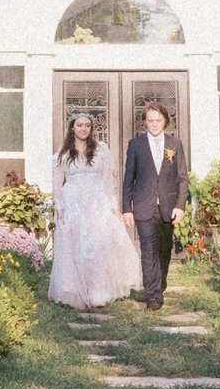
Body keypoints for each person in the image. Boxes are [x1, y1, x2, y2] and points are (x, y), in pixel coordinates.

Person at [47, 113, 144, 308]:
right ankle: (73, 290)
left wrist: (114, 205)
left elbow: (109, 181)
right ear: (72, 128)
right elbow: (57, 184)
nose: (83, 129)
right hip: (73, 203)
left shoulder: (101, 150)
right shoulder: (63, 154)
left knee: (98, 246)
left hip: (97, 202)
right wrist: (60, 207)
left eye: (87, 126)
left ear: (91, 129)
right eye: (79, 125)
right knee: (77, 247)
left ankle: (99, 292)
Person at [120, 102, 186, 309]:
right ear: (145, 122)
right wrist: (127, 209)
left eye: (158, 120)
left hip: (168, 207)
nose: (154, 124)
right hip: (143, 206)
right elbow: (128, 179)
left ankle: (160, 283)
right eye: (150, 120)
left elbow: (182, 178)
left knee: (164, 250)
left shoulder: (175, 144)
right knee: (148, 250)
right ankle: (153, 295)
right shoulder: (136, 145)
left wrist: (180, 205)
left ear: (165, 121)